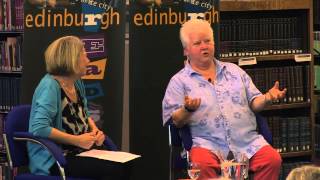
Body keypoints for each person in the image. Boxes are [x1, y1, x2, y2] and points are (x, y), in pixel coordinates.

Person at [162, 19, 287, 180]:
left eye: (208, 41)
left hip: (246, 142)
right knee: (201, 165)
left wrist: (268, 98)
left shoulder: (235, 71)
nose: (204, 46)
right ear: (186, 50)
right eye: (197, 43)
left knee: (272, 159)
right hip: (207, 145)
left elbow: (255, 103)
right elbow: (176, 121)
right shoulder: (179, 81)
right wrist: (187, 109)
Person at [28, 36, 131, 180]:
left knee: (127, 165)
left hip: (80, 153)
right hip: (56, 160)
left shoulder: (76, 83)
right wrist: (76, 140)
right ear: (71, 59)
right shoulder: (50, 86)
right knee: (115, 169)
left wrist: (95, 131)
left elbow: (84, 114)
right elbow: (39, 127)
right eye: (84, 55)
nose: (88, 60)